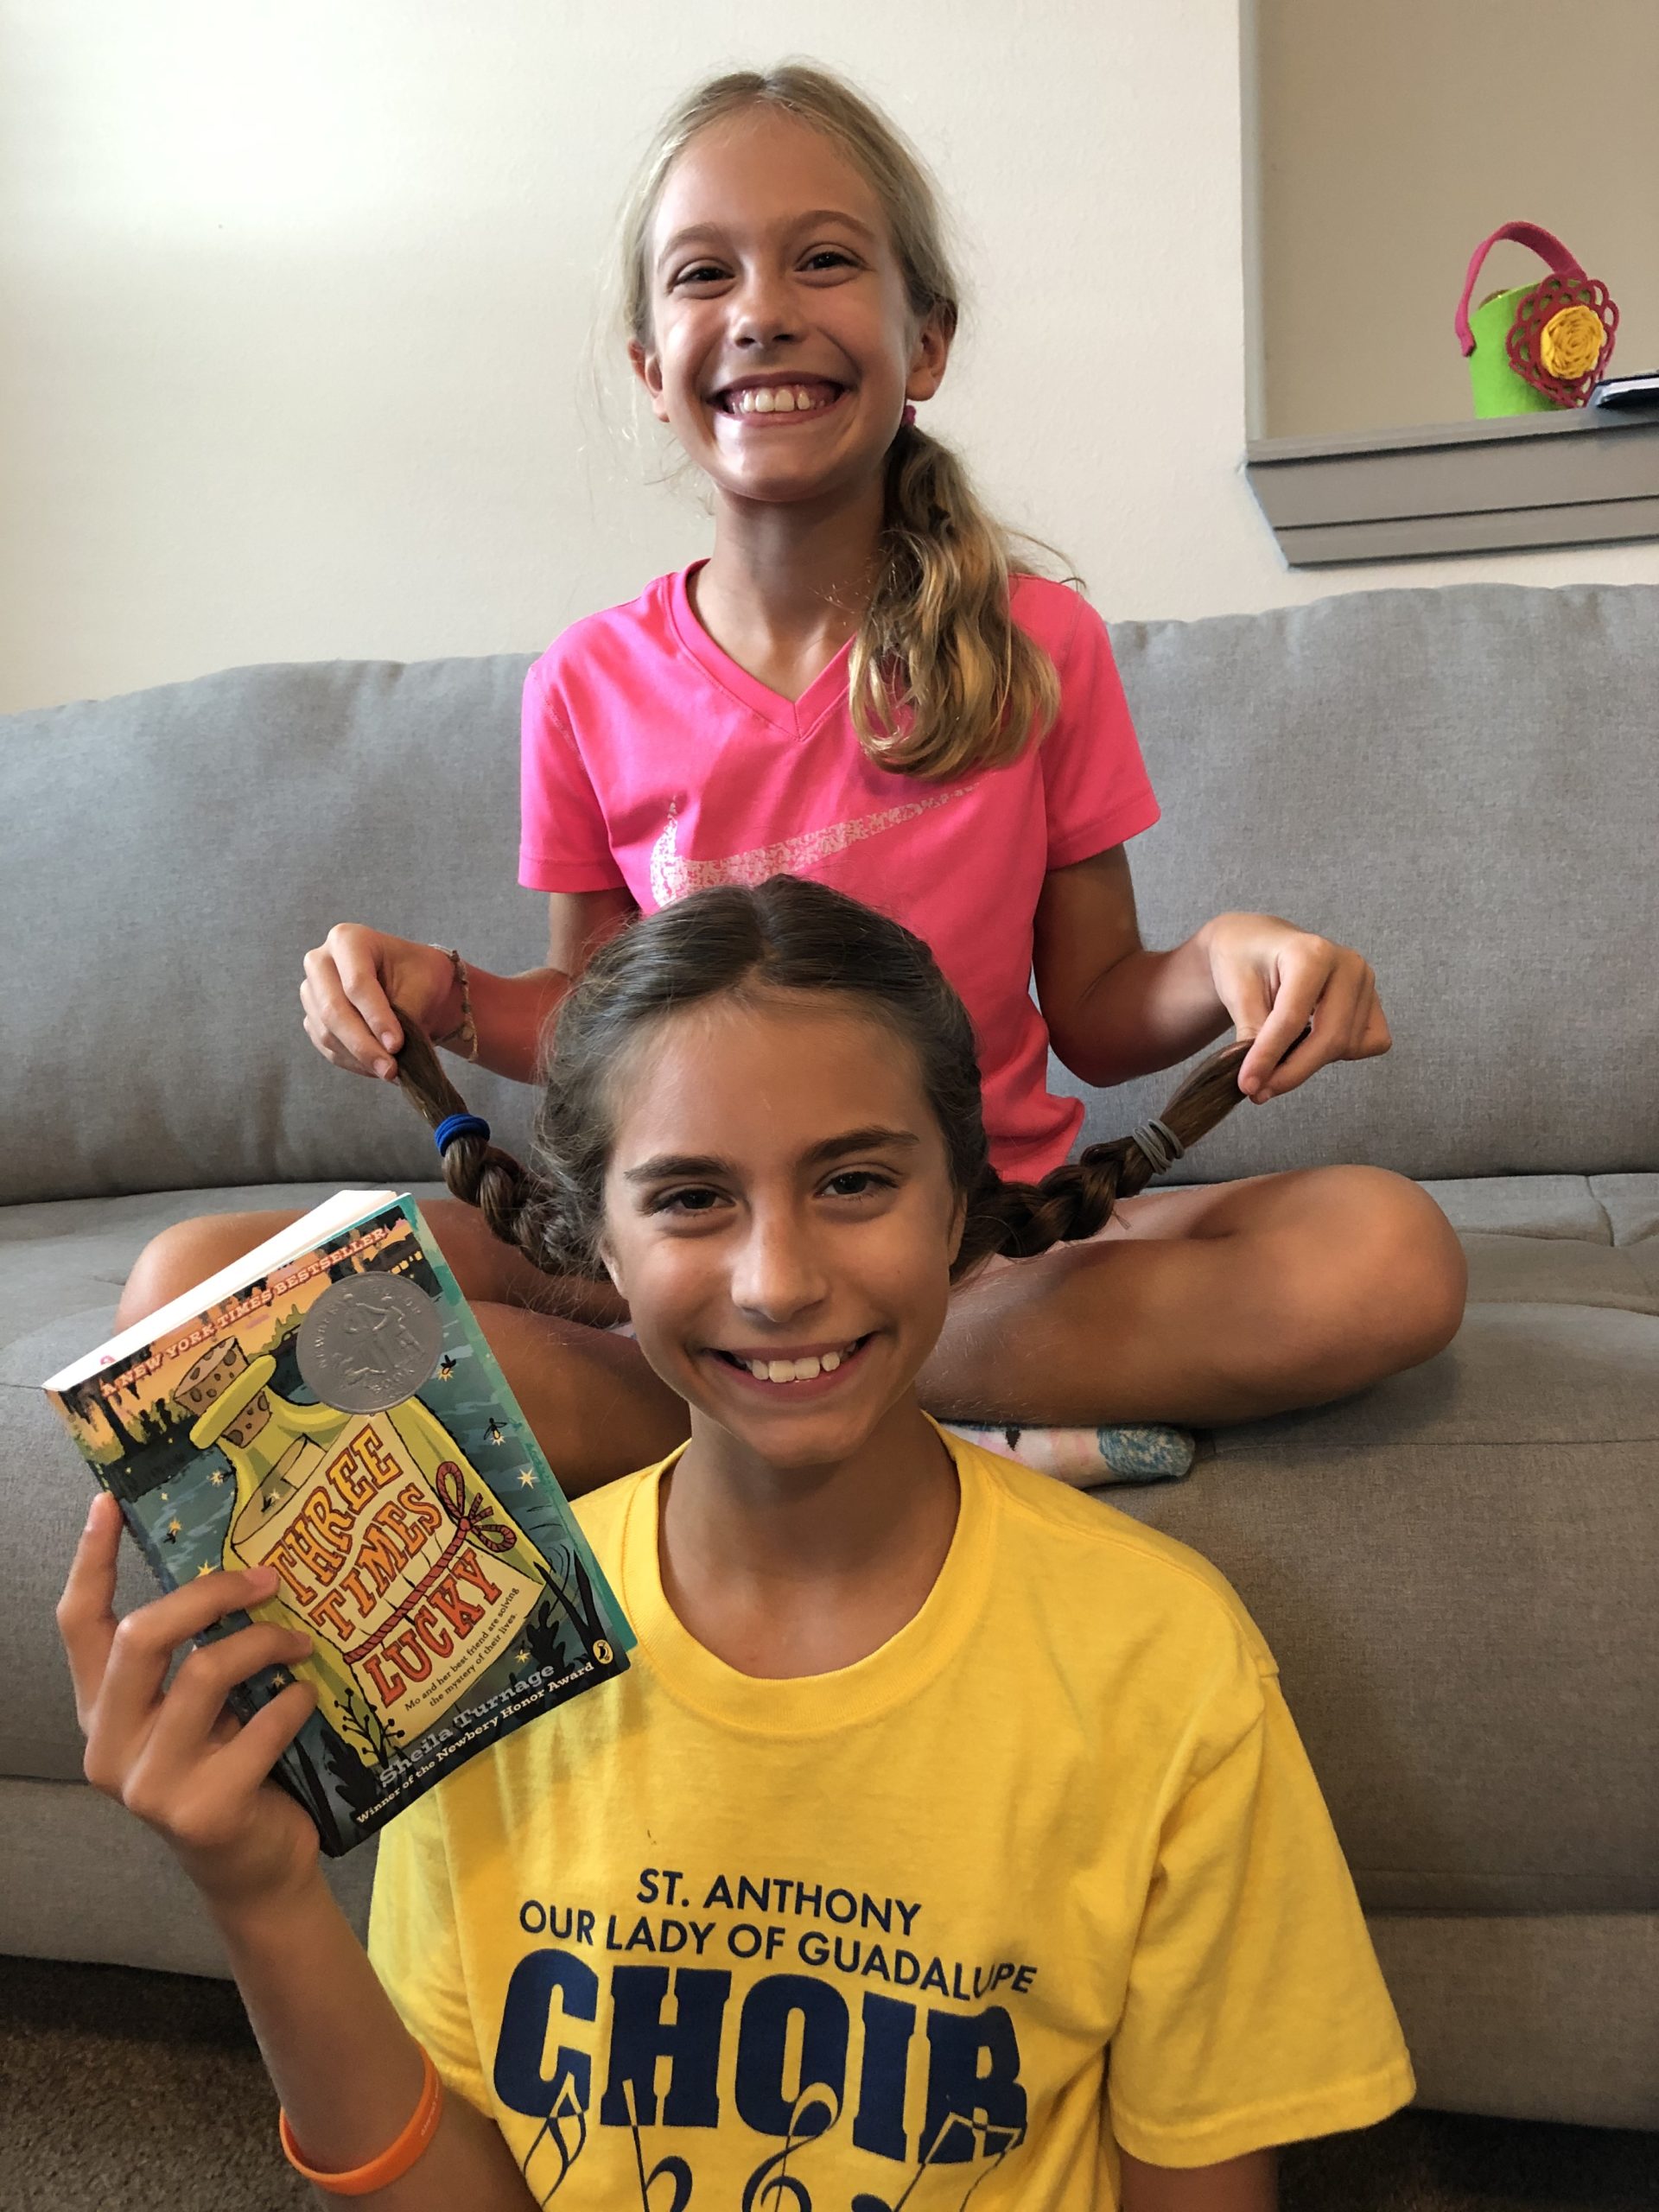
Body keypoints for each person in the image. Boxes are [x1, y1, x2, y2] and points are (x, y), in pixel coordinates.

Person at [111, 62, 1465, 1493]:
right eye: (705, 273)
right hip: (670, 1254)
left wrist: (1239, 960)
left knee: (1384, 1257)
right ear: (651, 366)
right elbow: (593, 1029)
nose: (762, 306)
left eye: (824, 259)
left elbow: (1102, 1007)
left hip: (973, 1247)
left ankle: (777, 1382)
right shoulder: (588, 683)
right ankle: (823, 1376)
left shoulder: (1034, 646)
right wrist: (430, 993)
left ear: (923, 338)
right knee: (190, 1291)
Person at [61, 878, 1416, 2210]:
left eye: (856, 1182)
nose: (779, 1282)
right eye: (692, 1201)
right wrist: (259, 1894)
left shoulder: (1164, 1662)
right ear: (598, 1243)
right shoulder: (496, 1631)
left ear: (962, 1208)